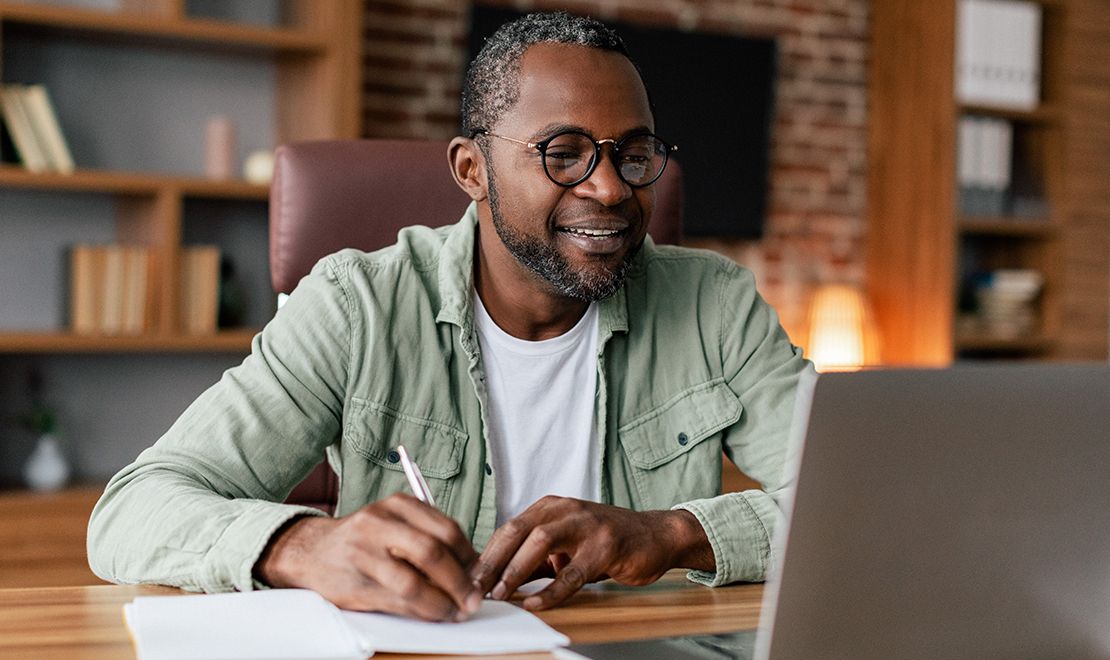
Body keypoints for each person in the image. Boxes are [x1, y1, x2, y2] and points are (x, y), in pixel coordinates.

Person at [87, 11, 812, 623]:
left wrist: (672, 533)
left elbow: (851, 503)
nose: (610, 188)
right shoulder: (356, 306)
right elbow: (133, 510)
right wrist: (303, 546)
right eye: (563, 154)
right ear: (472, 170)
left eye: (633, 154)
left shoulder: (716, 305)